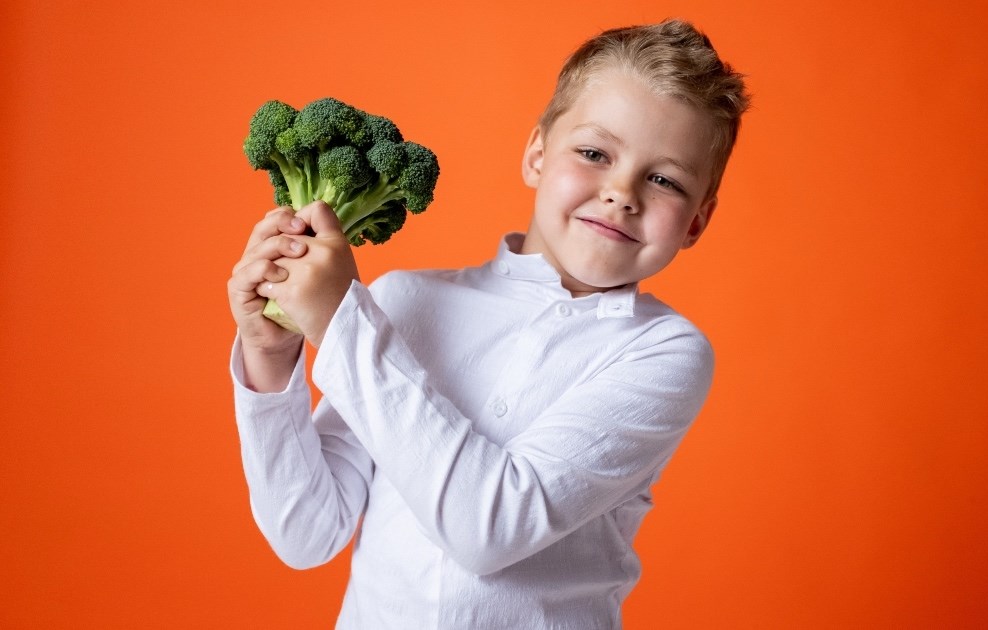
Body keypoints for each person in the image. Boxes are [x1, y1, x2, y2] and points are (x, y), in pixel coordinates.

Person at [227, 18, 749, 629]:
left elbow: (488, 529)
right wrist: (268, 354)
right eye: (593, 153)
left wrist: (343, 323)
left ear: (695, 223)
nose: (621, 192)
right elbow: (307, 531)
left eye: (665, 180)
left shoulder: (664, 353)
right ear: (536, 154)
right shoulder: (402, 302)